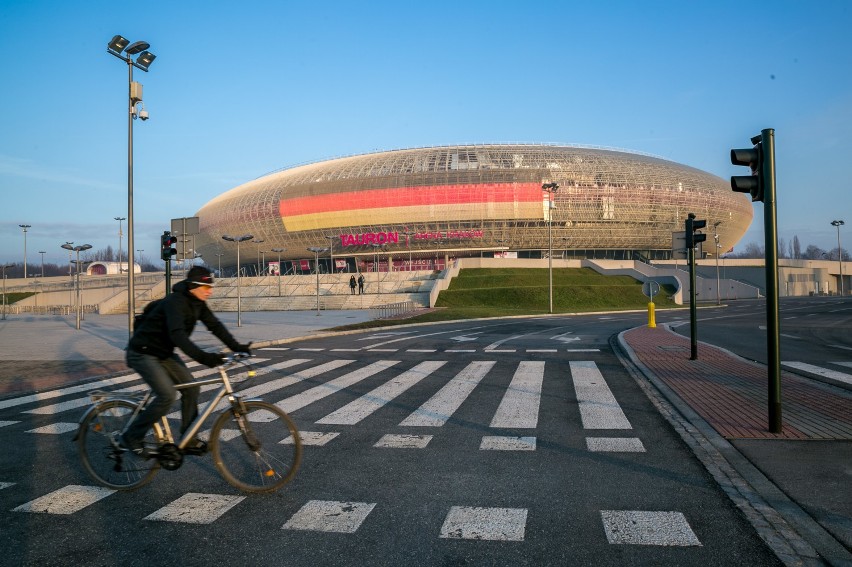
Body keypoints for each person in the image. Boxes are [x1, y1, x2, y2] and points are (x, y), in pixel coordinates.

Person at [121, 266, 251, 455]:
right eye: (207, 288)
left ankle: (188, 437)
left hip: (163, 353)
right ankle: (131, 437)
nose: (210, 291)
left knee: (192, 388)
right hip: (142, 353)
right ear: (193, 286)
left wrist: (237, 347)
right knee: (167, 395)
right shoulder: (175, 302)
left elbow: (215, 326)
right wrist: (206, 358)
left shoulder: (198, 303)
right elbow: (178, 337)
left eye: (211, 287)